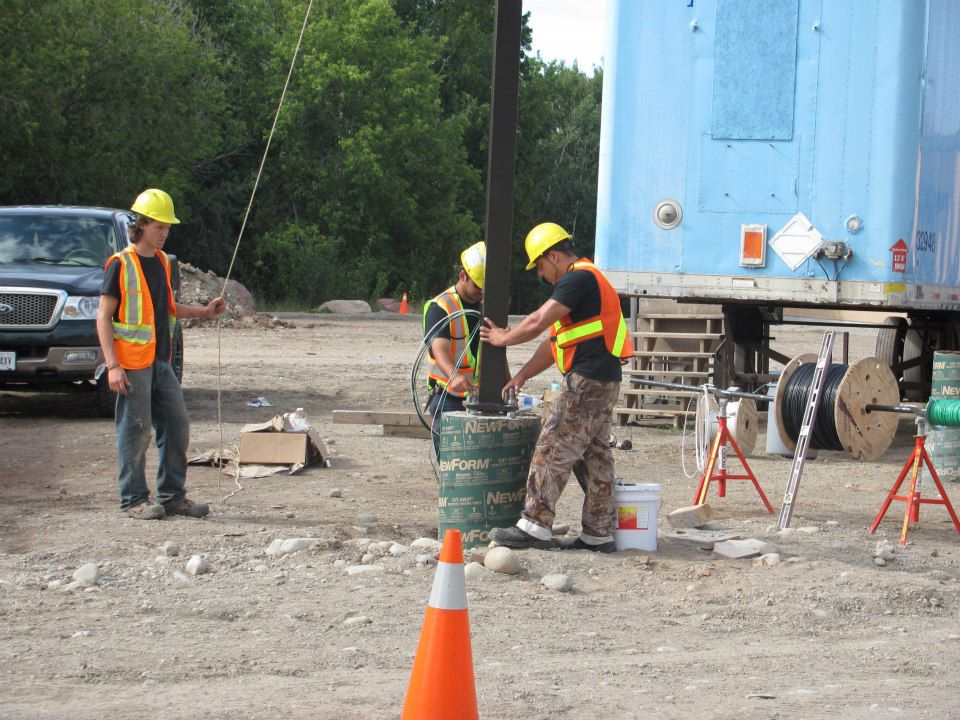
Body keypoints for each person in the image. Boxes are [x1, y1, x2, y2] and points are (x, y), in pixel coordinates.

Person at [480, 222, 633, 552]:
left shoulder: (578, 277)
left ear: (554, 256)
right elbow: (554, 343)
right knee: (594, 455)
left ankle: (534, 525)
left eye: (539, 265)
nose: (540, 274)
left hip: (587, 379)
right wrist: (521, 376)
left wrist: (503, 337)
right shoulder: (589, 282)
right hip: (604, 380)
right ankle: (599, 534)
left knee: (553, 445)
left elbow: (537, 321)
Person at [96, 189, 226, 520]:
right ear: (141, 225)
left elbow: (168, 308)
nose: (165, 233)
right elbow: (103, 317)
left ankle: (172, 497)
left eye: (168, 227)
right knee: (135, 430)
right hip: (131, 365)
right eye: (159, 227)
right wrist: (112, 366)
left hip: (160, 362)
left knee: (177, 425)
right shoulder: (120, 265)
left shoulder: (165, 265)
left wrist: (206, 312)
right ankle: (134, 500)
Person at [422, 242, 485, 455]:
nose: (481, 292)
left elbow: (495, 349)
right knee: (453, 465)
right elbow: (438, 348)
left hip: (479, 396)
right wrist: (455, 375)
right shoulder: (440, 307)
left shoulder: (487, 307)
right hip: (447, 397)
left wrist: (508, 379)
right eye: (477, 285)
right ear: (463, 275)